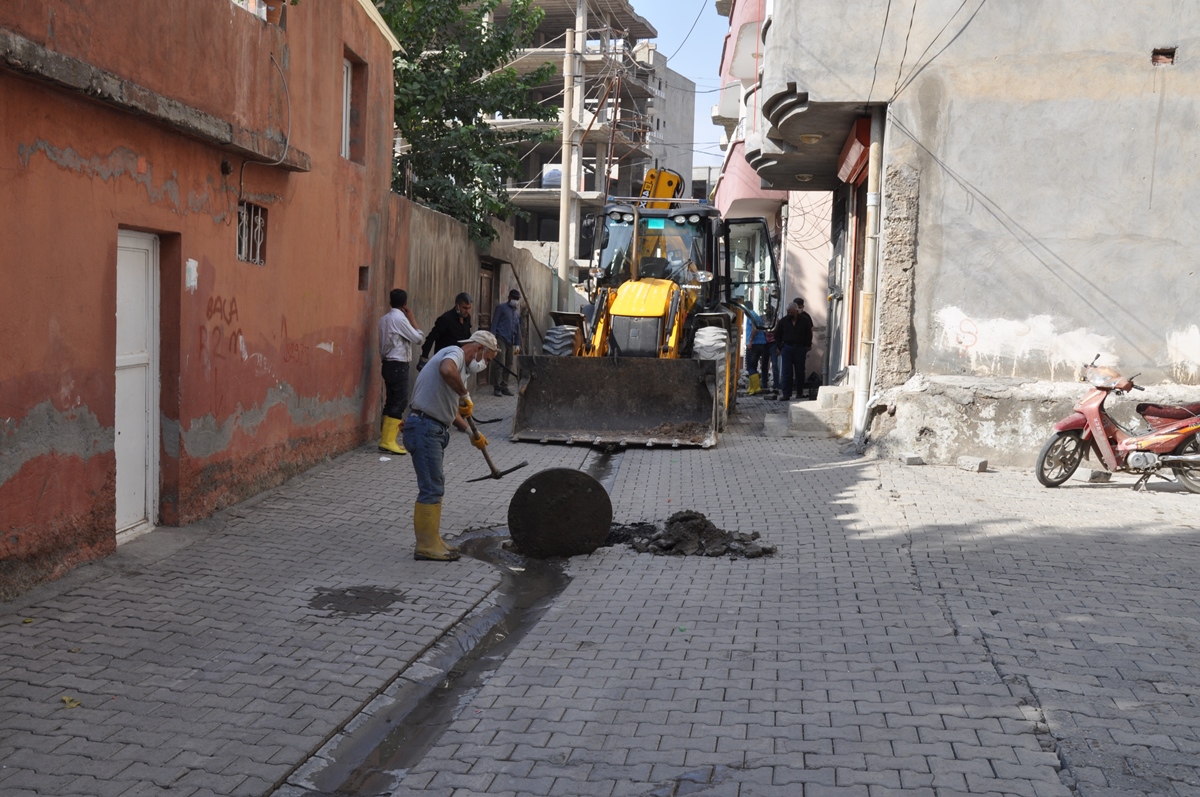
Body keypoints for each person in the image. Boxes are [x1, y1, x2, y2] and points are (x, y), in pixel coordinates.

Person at [402, 330, 499, 562]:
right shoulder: (454, 353)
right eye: (487, 359)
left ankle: (433, 539)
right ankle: (426, 546)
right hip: (424, 427)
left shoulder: (462, 371)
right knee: (431, 488)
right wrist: (464, 394)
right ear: (479, 348)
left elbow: (452, 410)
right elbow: (446, 370)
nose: (485, 364)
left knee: (435, 485)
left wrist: (470, 432)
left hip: (432, 428)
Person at [377, 289, 425, 455]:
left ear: (390, 301)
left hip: (387, 363)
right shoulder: (400, 319)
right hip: (398, 364)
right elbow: (418, 339)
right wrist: (412, 319)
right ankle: (388, 441)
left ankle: (385, 439)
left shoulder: (383, 319)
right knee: (399, 401)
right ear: (405, 304)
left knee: (391, 401)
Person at [772, 298, 814, 402]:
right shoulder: (783, 321)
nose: (789, 314)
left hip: (800, 348)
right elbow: (778, 335)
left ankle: (799, 393)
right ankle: (786, 394)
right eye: (788, 312)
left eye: (792, 313)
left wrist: (807, 345)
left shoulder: (804, 320)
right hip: (787, 348)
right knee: (787, 372)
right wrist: (781, 347)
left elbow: (808, 334)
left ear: (796, 311)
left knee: (800, 371)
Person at [419, 292, 472, 368]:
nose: (467, 311)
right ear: (457, 306)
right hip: (444, 360)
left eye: (469, 308)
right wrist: (424, 357)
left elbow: (467, 337)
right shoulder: (446, 319)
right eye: (465, 308)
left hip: (459, 360)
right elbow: (431, 337)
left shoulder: (467, 318)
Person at [490, 289, 522, 396]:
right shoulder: (501, 308)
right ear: (509, 297)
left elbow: (517, 329)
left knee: (509, 364)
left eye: (517, 299)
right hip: (500, 338)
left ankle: (504, 386)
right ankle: (497, 387)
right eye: (514, 298)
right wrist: (492, 339)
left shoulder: (517, 312)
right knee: (500, 363)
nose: (515, 300)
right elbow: (494, 323)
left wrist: (517, 344)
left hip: (510, 341)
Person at [739, 302, 770, 396]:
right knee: (754, 366)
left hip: (754, 344)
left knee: (750, 367)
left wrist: (750, 341)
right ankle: (752, 387)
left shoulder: (750, 315)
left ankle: (756, 388)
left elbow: (754, 328)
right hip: (761, 344)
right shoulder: (756, 315)